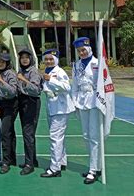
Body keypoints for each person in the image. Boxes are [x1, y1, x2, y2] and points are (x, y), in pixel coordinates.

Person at [40, 49, 75, 178]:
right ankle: (62, 162)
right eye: (46, 59)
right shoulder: (47, 71)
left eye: (51, 59)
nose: (48, 61)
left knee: (55, 138)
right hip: (51, 107)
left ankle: (55, 168)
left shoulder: (59, 72)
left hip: (60, 109)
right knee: (59, 138)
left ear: (56, 59)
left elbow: (67, 87)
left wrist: (51, 80)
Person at [71, 37, 101, 185]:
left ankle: (94, 170)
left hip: (95, 102)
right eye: (79, 51)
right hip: (81, 101)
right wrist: (74, 102)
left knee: (94, 136)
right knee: (85, 135)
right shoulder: (76, 65)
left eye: (83, 50)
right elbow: (74, 85)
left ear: (89, 49)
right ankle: (94, 165)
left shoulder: (98, 63)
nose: (81, 53)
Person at [16, 48, 42, 175]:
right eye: (22, 57)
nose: (24, 59)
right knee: (28, 133)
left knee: (28, 133)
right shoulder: (21, 70)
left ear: (31, 59)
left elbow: (36, 89)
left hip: (31, 102)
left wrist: (23, 79)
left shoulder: (33, 72)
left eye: (27, 57)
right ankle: (33, 160)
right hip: (23, 102)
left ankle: (29, 164)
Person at [0, 53, 18, 174]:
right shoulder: (0, 74)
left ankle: (6, 162)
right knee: (10, 132)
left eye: (3, 62)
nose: (0, 64)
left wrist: (1, 81)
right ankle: (12, 158)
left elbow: (13, 91)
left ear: (7, 63)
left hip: (11, 104)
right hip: (2, 104)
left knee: (5, 132)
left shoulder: (10, 74)